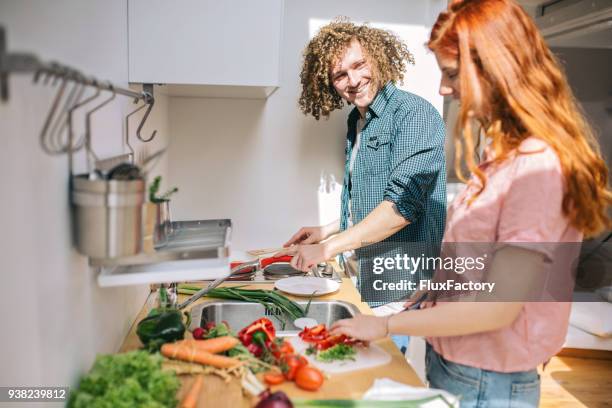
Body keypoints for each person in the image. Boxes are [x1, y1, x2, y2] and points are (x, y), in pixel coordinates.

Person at [329, 0, 612, 406]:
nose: (444, 88)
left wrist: (386, 325)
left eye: (452, 74)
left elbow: (497, 308)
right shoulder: (501, 153)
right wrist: (436, 287)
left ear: (496, 69)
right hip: (458, 364)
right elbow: (483, 259)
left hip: (489, 380)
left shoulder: (538, 167)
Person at [279, 19, 447, 308]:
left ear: (378, 57)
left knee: (387, 354)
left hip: (400, 284)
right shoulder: (357, 120)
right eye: (340, 74)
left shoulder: (414, 115)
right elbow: (375, 197)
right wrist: (330, 228)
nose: (353, 81)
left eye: (359, 65)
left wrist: (327, 248)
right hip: (361, 276)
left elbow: (401, 207)